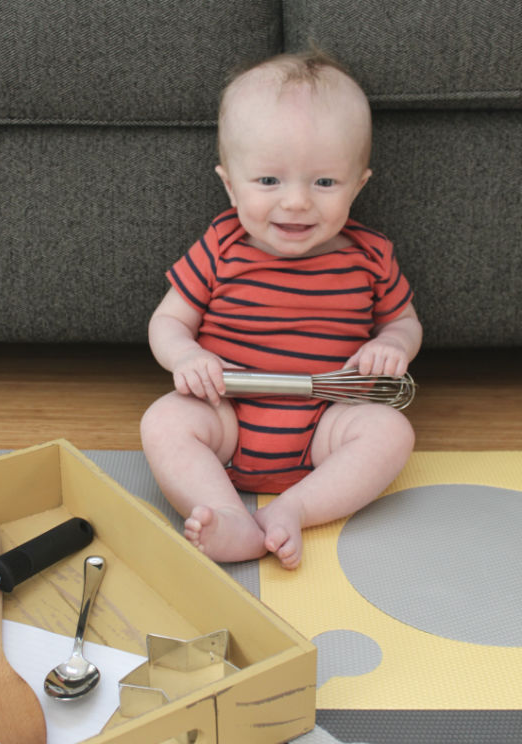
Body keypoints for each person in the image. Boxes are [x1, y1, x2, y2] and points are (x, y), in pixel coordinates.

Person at [140, 49, 422, 570]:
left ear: (358, 185)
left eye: (324, 182)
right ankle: (228, 517)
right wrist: (184, 357)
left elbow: (403, 320)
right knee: (163, 422)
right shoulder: (221, 245)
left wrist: (392, 344)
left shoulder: (370, 255)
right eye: (269, 181)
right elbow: (168, 320)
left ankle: (295, 509)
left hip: (326, 425)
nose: (295, 202)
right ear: (230, 184)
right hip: (227, 416)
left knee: (391, 432)